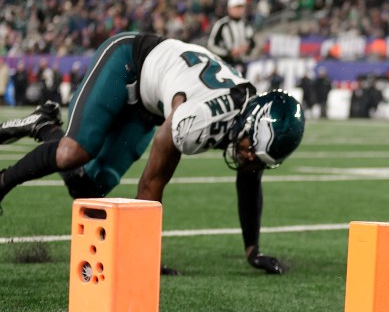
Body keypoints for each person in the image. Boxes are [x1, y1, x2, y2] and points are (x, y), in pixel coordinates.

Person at [0, 32, 305, 274]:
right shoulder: (201, 120)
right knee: (73, 153)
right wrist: (143, 257)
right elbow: (151, 183)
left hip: (150, 107)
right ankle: (4, 181)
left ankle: (43, 126)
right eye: (251, 149)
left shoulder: (248, 125)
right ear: (250, 124)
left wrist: (253, 251)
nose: (249, 157)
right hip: (129, 62)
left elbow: (250, 181)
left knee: (88, 187)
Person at [207, 0, 255, 74]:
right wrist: (229, 52)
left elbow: (252, 42)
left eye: (241, 7)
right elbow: (211, 45)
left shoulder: (246, 24)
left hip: (242, 62)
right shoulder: (222, 24)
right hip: (225, 64)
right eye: (236, 7)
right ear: (229, 8)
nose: (239, 9)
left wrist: (247, 47)